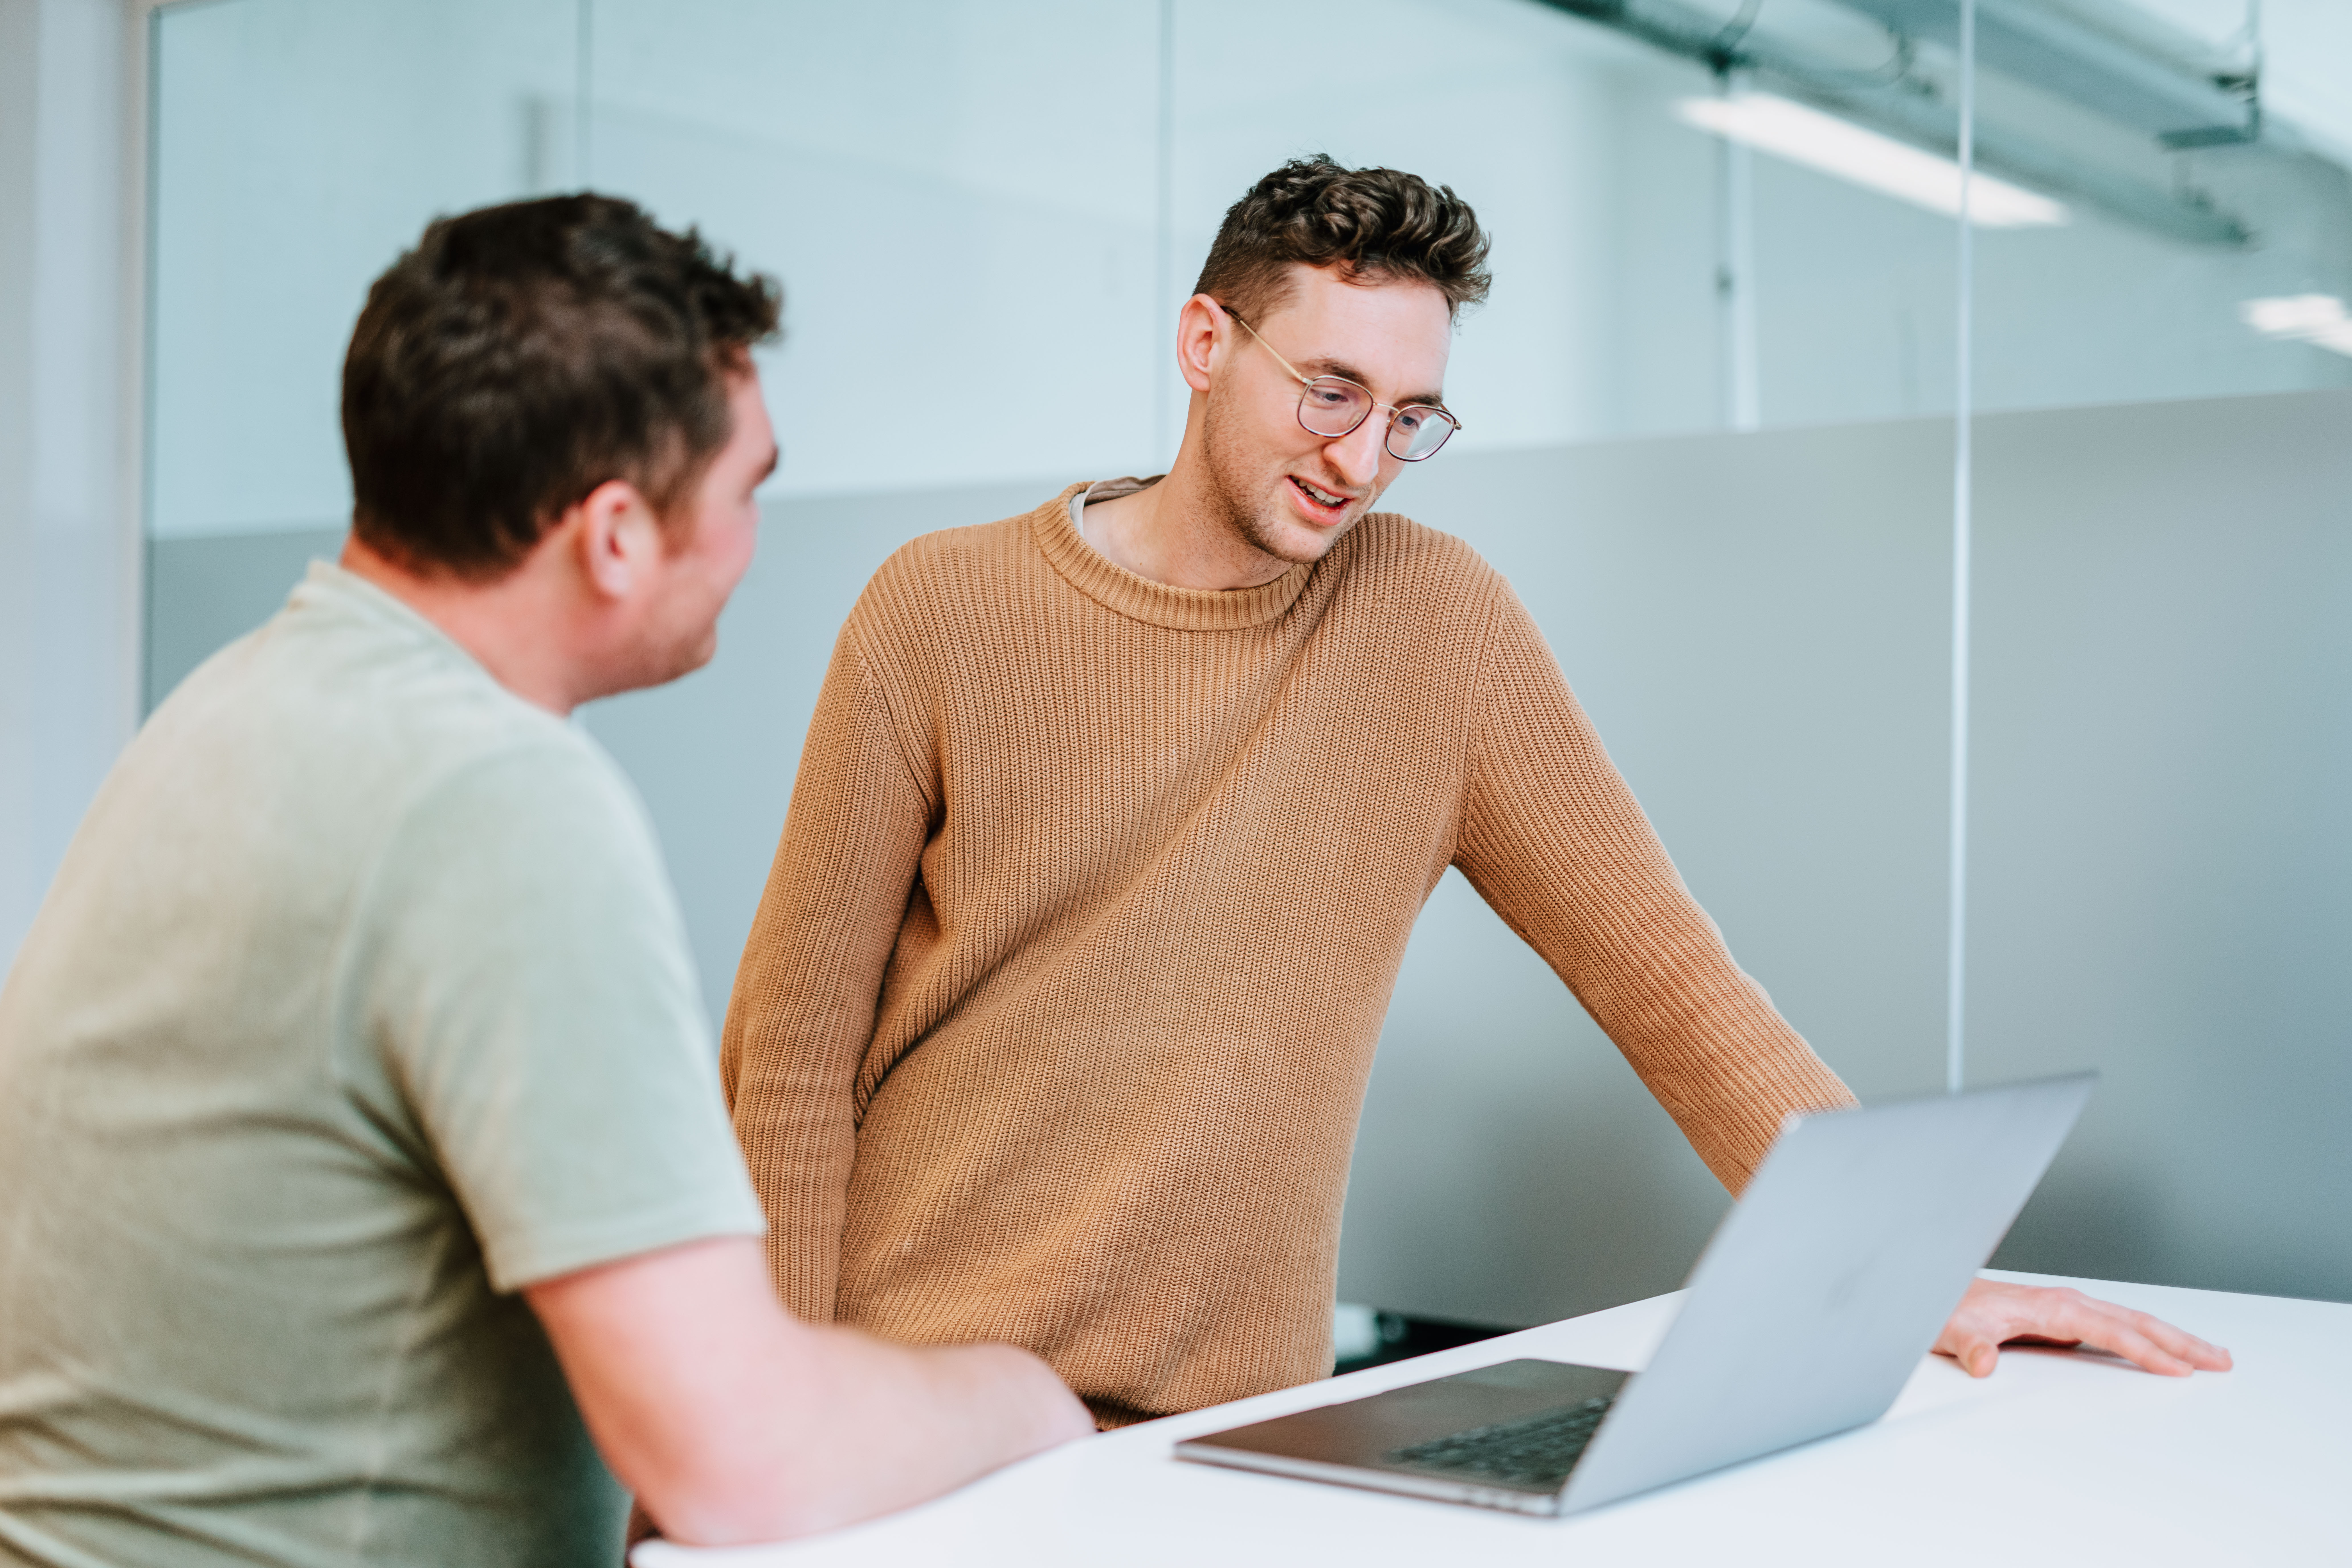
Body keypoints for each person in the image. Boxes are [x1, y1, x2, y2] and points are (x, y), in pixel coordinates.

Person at [721, 156, 2230, 1427]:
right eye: (1330, 391)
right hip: (907, 1409)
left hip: (1221, 1430)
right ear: (1202, 342)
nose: (1364, 457)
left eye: (1409, 417)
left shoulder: (1436, 625)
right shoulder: (942, 607)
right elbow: (793, 1047)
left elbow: (1668, 978)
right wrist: (764, 1425)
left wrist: (1919, 1267)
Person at [0, 195, 1090, 1568]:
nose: (757, 535)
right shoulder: (488, 796)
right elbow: (745, 1458)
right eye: (750, 486)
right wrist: (1025, 1397)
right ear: (617, 533)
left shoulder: (233, 710)